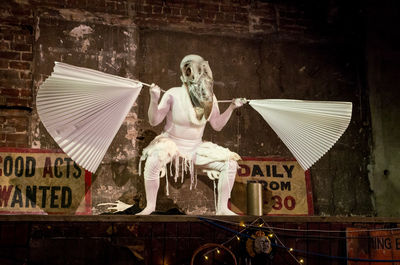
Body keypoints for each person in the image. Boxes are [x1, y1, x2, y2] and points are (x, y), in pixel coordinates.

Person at [138, 54, 245, 215]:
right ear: (184, 75)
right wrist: (154, 99)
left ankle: (223, 208)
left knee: (229, 163)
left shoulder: (209, 98)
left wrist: (231, 108)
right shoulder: (173, 93)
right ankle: (150, 206)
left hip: (195, 147)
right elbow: (154, 120)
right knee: (154, 158)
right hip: (171, 143)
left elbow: (217, 125)